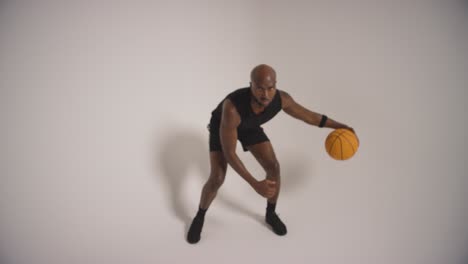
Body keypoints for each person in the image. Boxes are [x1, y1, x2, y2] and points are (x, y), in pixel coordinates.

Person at [186, 64, 357, 244]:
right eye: (260, 88)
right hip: (224, 125)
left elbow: (311, 117)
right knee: (218, 177)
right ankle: (199, 216)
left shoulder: (282, 99)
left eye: (270, 88)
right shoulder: (232, 108)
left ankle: (271, 214)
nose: (265, 94)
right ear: (251, 85)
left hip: (249, 126)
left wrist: (341, 126)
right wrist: (255, 184)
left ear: (276, 85)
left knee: (273, 167)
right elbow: (230, 154)